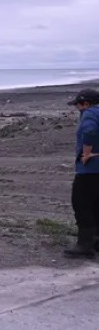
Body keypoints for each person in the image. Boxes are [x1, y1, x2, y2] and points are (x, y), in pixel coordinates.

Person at [63, 88, 99, 258]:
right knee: (97, 204)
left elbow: (89, 130)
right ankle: (96, 240)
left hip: (90, 169)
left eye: (78, 104)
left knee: (82, 203)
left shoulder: (90, 114)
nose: (77, 108)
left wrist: (86, 153)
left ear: (86, 103)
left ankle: (85, 244)